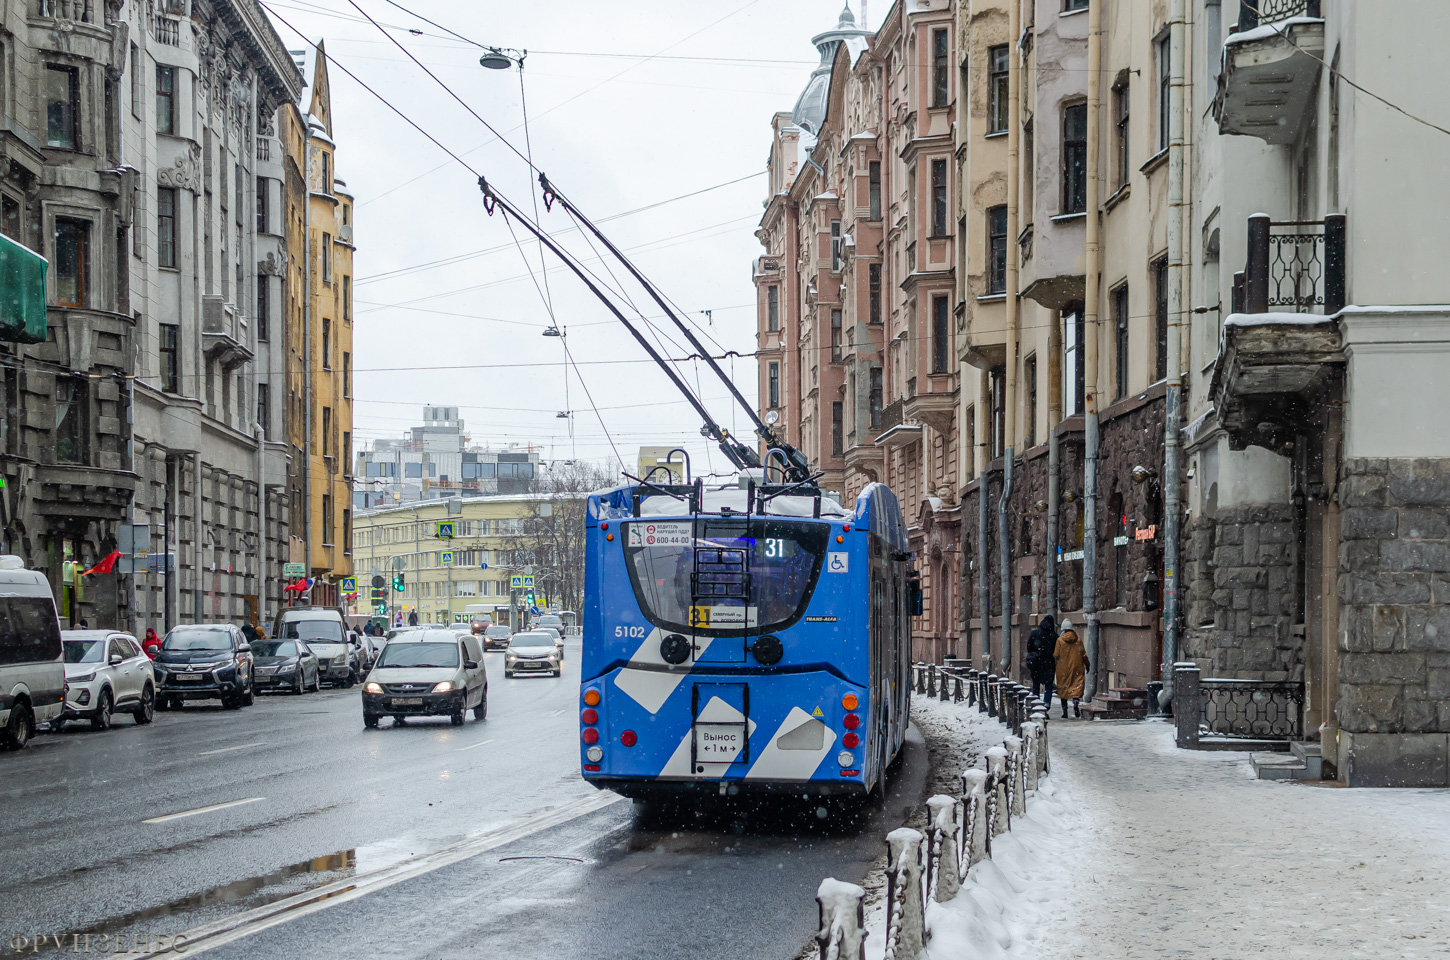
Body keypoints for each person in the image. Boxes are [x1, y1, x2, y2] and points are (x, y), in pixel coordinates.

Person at [1054, 618, 1089, 719]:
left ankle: (1065, 711)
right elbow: (1083, 654)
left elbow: (1056, 654)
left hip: (1063, 669)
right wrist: (1087, 664)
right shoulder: (1078, 640)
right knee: (1076, 687)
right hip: (1077, 667)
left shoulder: (1060, 640)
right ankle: (1075, 703)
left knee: (1063, 689)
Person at [1026, 615, 1058, 707]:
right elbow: (1057, 651)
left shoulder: (1034, 633)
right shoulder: (1054, 636)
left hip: (1036, 663)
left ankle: (1036, 704)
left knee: (1036, 684)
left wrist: (1035, 654)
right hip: (1049, 664)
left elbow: (1029, 647)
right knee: (1048, 686)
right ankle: (1046, 704)